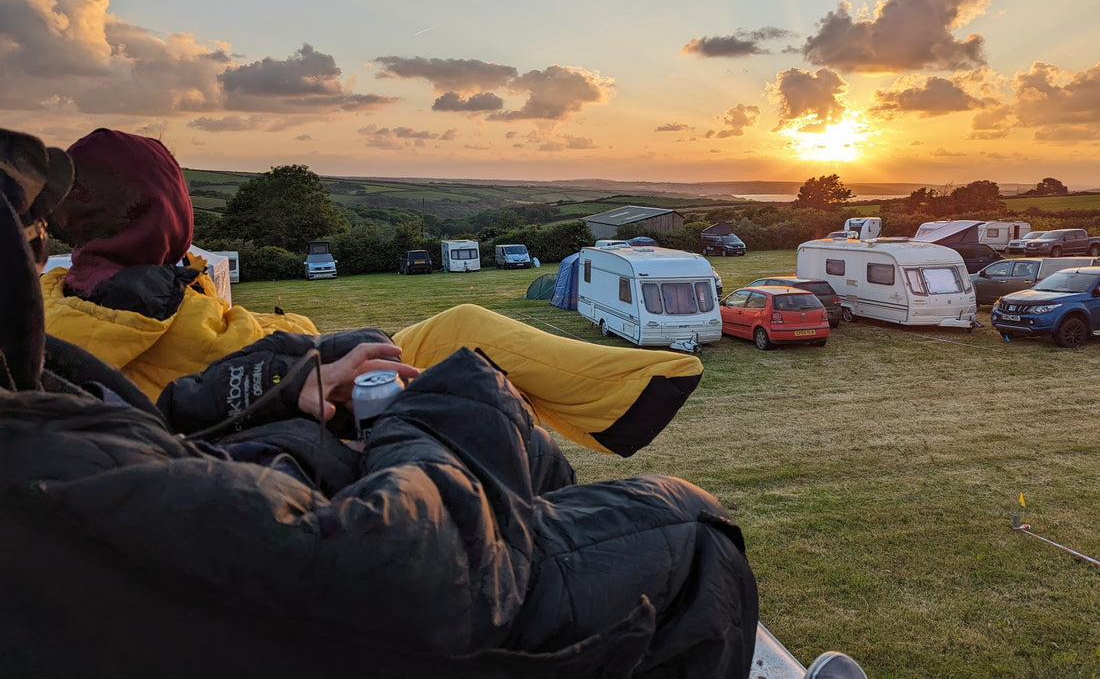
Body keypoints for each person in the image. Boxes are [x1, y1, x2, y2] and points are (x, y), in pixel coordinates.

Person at [0, 128, 760, 676]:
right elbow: (378, 578)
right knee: (468, 368)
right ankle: (621, 404)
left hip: (288, 404)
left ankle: (622, 400)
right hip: (327, 487)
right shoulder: (113, 315)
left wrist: (278, 379)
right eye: (21, 227)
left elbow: (165, 408)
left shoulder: (67, 331)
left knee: (458, 340)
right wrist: (412, 416)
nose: (34, 240)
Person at [43, 128, 706, 457]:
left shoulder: (65, 293)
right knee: (465, 334)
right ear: (164, 209)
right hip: (301, 398)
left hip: (287, 389)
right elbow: (253, 353)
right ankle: (638, 394)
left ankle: (624, 402)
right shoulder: (144, 299)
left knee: (463, 332)